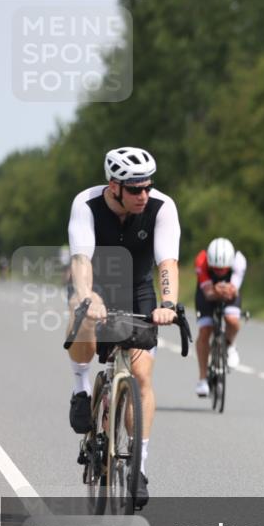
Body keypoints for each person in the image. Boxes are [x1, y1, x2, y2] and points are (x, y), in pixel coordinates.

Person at [66, 146, 181, 507]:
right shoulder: (86, 204)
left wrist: (167, 305)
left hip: (138, 289)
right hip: (96, 283)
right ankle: (81, 387)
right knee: (80, 310)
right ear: (113, 186)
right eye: (134, 189)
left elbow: (167, 262)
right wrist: (89, 296)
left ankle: (139, 468)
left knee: (142, 375)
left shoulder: (162, 207)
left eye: (147, 187)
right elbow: (81, 258)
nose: (142, 195)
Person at [194, 237, 247, 396]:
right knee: (205, 330)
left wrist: (225, 290)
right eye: (215, 269)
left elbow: (233, 290)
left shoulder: (239, 260)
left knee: (232, 320)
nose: (219, 272)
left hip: (228, 291)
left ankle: (230, 345)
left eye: (223, 269)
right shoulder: (201, 260)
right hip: (206, 293)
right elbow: (208, 294)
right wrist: (215, 290)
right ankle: (203, 379)